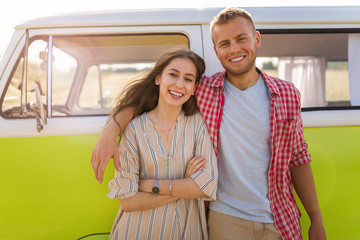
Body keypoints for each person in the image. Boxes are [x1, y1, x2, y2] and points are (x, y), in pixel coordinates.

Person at [91, 8, 326, 240]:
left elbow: (298, 158)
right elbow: (150, 98)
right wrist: (111, 129)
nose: (234, 49)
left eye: (241, 39)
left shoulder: (287, 94)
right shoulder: (204, 90)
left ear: (256, 39)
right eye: (225, 43)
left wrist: (315, 218)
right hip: (226, 219)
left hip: (280, 217)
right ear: (216, 51)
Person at [105, 49, 218, 240]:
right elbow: (128, 201)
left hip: (187, 233)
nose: (179, 84)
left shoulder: (199, 124)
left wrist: (152, 185)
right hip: (137, 232)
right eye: (173, 75)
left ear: (194, 88)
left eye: (188, 79)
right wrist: (185, 185)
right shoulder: (134, 129)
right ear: (158, 79)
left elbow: (206, 187)